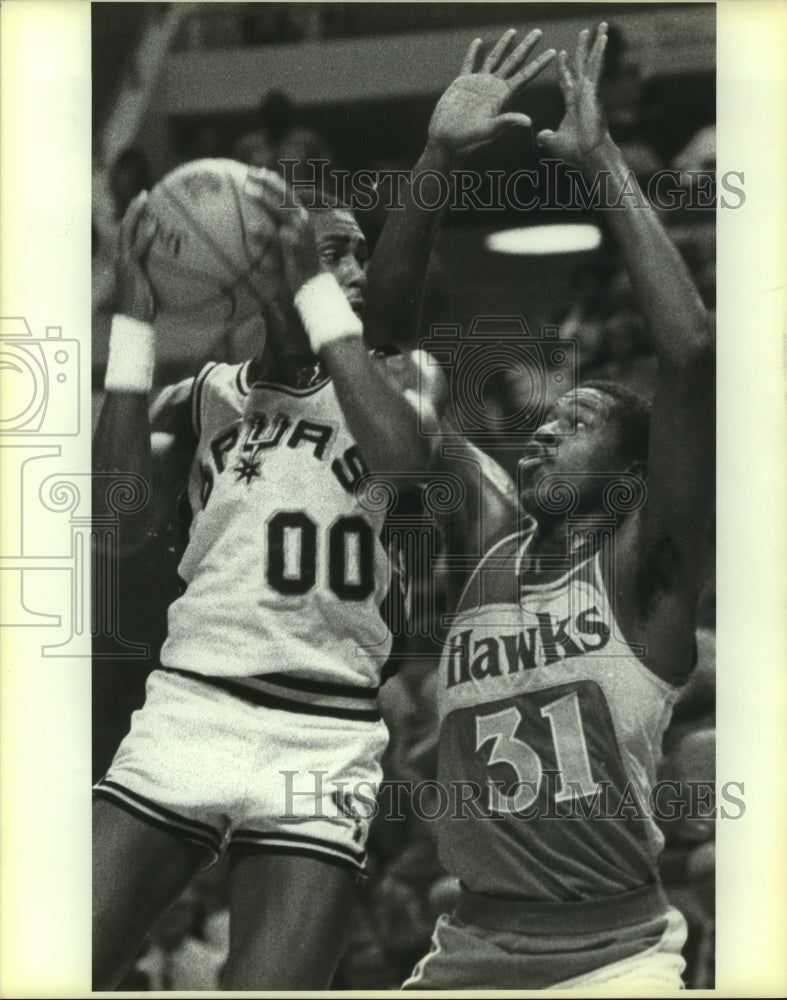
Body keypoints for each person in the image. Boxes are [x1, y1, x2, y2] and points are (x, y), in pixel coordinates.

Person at [91, 28, 556, 990]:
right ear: (255, 278)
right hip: (191, 706)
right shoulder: (211, 394)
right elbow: (115, 517)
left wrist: (428, 161)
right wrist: (134, 329)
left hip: (325, 730)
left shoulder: (398, 379)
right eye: (325, 254)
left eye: (351, 258)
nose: (346, 270)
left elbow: (399, 452)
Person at [355, 23, 713, 990]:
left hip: (613, 957)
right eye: (550, 417)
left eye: (583, 419)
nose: (547, 430)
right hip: (467, 948)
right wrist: (433, 158)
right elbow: (382, 345)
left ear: (633, 477)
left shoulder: (651, 574)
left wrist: (598, 162)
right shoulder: (489, 534)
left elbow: (691, 355)